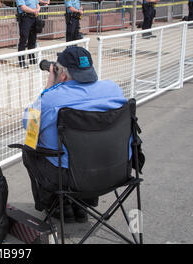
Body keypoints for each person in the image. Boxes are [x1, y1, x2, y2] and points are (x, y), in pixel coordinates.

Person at [22, 46, 128, 222]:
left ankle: (58, 205)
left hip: (69, 177)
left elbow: (29, 125)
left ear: (62, 74)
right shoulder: (114, 89)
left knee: (29, 150)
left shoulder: (51, 99)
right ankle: (82, 203)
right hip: (116, 170)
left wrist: (49, 86)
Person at [15, 0, 40, 69]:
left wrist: (37, 9)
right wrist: (34, 11)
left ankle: (32, 59)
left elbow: (37, 4)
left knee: (32, 39)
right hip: (25, 18)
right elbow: (23, 7)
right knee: (23, 39)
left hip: (34, 17)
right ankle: (21, 61)